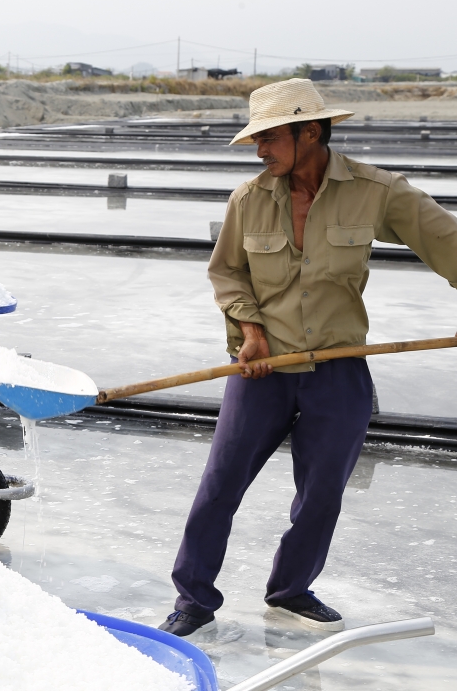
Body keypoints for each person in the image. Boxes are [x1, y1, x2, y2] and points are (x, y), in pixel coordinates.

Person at [159, 78, 457, 637]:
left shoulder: (378, 191)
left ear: (310, 131)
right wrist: (249, 329)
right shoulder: (248, 199)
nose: (259, 149)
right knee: (220, 486)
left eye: (270, 137)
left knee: (322, 494)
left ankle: (291, 589)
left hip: (338, 369)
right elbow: (227, 272)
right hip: (262, 368)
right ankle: (193, 598)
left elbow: (449, 245)